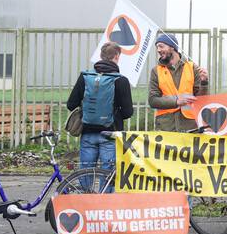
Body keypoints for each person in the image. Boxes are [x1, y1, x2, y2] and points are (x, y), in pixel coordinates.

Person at [65, 41, 134, 190]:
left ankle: (85, 204)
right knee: (108, 175)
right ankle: (104, 207)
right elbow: (128, 112)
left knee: (85, 173)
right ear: (117, 56)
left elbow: (71, 104)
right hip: (110, 135)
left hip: (87, 134)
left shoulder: (85, 77)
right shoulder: (121, 81)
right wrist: (114, 114)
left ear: (101, 56)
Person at [148, 33, 208, 132]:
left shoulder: (192, 67)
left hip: (190, 127)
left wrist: (204, 83)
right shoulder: (156, 71)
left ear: (172, 47)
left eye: (161, 46)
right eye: (157, 47)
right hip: (166, 128)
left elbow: (202, 100)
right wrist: (176, 101)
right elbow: (153, 100)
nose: (158, 50)